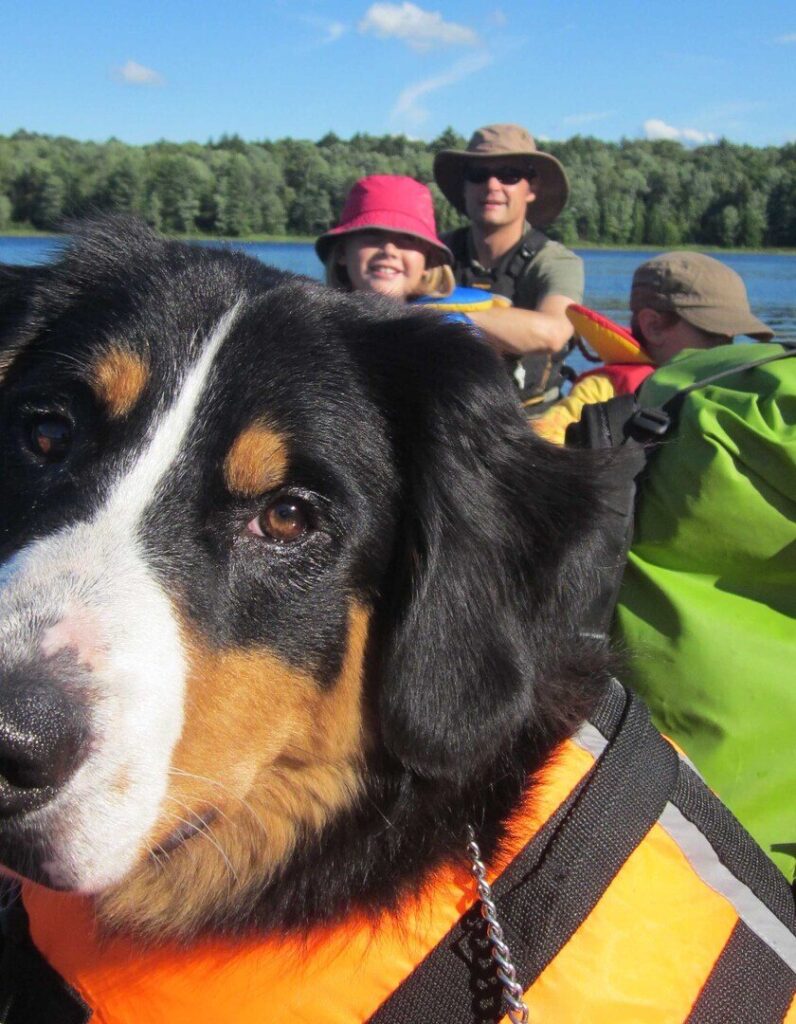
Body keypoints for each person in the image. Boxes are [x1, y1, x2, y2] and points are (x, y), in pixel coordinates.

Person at [533, 252, 774, 444]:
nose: (726, 351)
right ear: (653, 326)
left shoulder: (734, 389)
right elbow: (543, 452)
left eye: (731, 339)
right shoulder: (602, 391)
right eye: (713, 335)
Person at [433, 124, 584, 412]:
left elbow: (553, 332)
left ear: (532, 188)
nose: (492, 186)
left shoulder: (557, 262)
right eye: (478, 175)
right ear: (464, 187)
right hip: (448, 416)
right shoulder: (435, 254)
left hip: (532, 419)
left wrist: (436, 314)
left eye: (509, 175)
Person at [315, 175, 456, 302]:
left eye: (407, 238)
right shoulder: (313, 328)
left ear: (429, 261)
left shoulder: (455, 327)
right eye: (372, 234)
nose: (389, 250)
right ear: (342, 253)